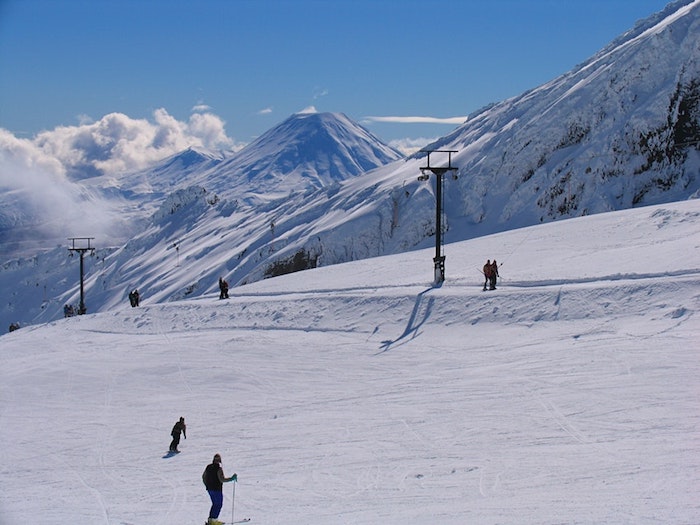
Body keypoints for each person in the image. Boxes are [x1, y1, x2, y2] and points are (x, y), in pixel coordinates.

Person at [202, 453, 237, 525]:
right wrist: (232, 478)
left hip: (210, 489)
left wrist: (207, 485)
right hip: (217, 489)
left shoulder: (208, 467)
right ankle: (213, 521)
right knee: (218, 504)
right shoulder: (219, 469)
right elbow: (222, 479)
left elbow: (203, 477)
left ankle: (211, 520)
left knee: (214, 504)